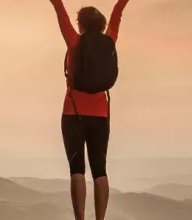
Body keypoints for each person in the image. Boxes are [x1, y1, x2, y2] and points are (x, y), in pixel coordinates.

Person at [48, 0, 130, 220]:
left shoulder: (74, 42)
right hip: (100, 115)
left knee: (77, 169)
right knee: (100, 171)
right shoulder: (109, 40)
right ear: (102, 25)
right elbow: (119, 11)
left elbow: (58, 8)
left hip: (73, 113)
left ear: (81, 24)